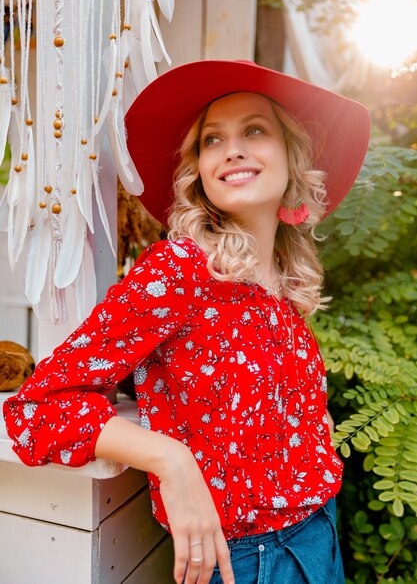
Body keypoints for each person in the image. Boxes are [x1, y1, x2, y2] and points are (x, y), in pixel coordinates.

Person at [4, 60, 370, 584]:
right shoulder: (181, 271)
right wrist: (169, 458)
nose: (232, 149)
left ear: (293, 156)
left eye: (255, 130)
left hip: (321, 535)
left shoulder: (282, 288)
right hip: (246, 560)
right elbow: (38, 407)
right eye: (212, 140)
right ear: (198, 169)